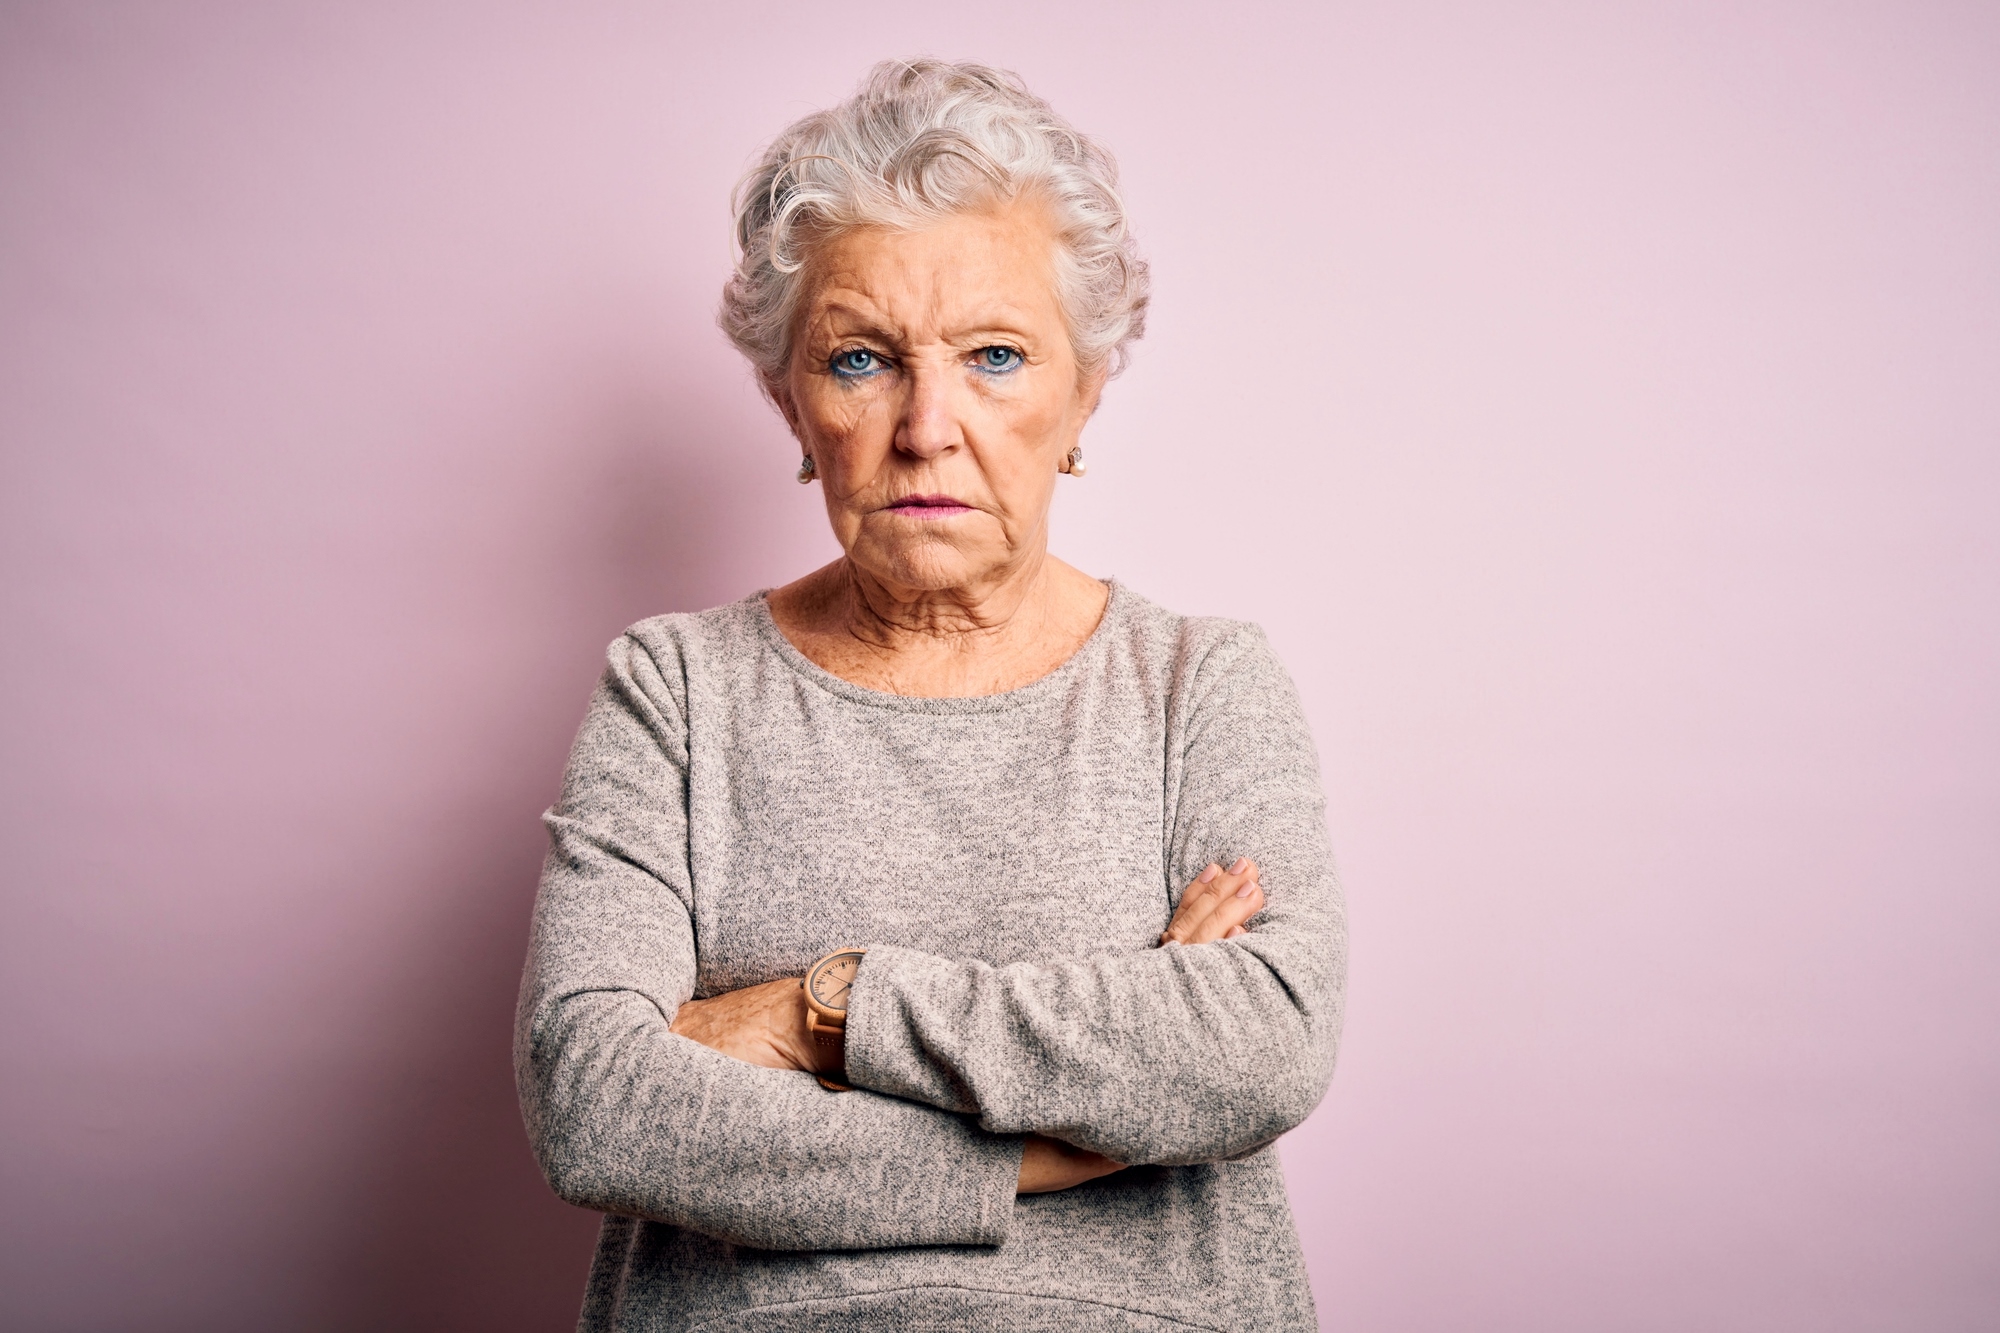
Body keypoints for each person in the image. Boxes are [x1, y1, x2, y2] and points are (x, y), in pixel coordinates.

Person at [515, 58, 1347, 1332]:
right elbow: (596, 1102)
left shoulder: (1199, 682)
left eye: (995, 355)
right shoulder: (675, 689)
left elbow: (1259, 1038)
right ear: (791, 404)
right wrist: (1029, 1151)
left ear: (1083, 392)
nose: (925, 427)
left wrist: (825, 1010)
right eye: (860, 360)